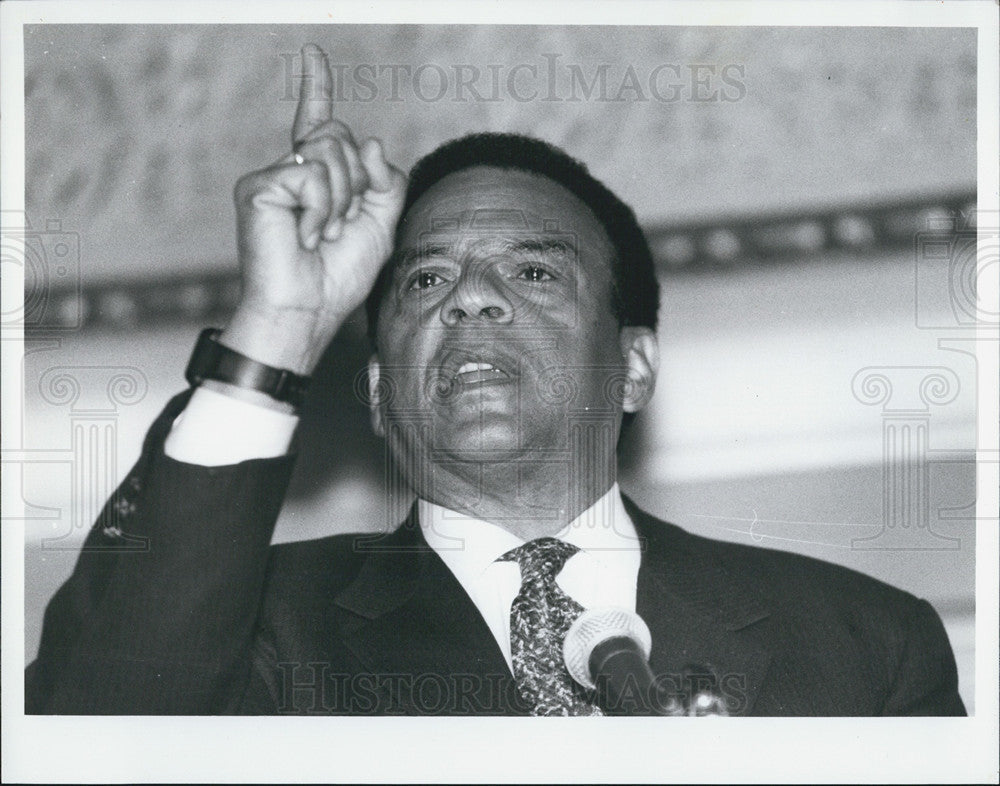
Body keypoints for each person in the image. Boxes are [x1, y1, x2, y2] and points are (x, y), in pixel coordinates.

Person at [26, 45, 964, 716]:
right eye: (425, 279)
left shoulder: (865, 649)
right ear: (383, 391)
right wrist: (278, 326)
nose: (470, 299)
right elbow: (97, 720)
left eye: (534, 271)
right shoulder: (260, 630)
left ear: (633, 366)